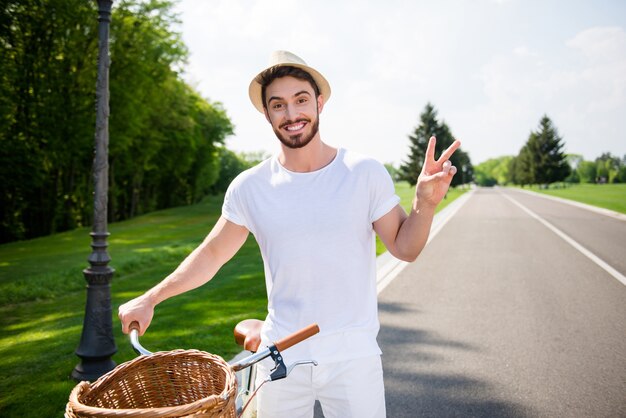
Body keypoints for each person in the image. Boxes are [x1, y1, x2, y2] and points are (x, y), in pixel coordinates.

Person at [118, 50, 460, 418]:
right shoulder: (250, 187)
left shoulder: (363, 172)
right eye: (278, 105)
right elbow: (212, 255)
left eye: (300, 100)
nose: (292, 114)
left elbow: (405, 248)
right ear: (266, 113)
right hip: (279, 358)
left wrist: (425, 202)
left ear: (319, 103)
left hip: (353, 358)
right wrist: (151, 298)